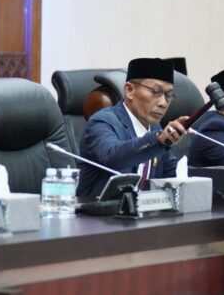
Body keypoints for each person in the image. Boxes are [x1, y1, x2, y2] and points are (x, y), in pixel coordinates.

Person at [77, 58, 189, 197]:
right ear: (129, 90)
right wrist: (158, 141)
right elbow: (113, 156)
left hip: (142, 209)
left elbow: (173, 172)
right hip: (99, 209)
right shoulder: (102, 121)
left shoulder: (155, 127)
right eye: (156, 91)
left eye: (169, 95)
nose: (163, 103)